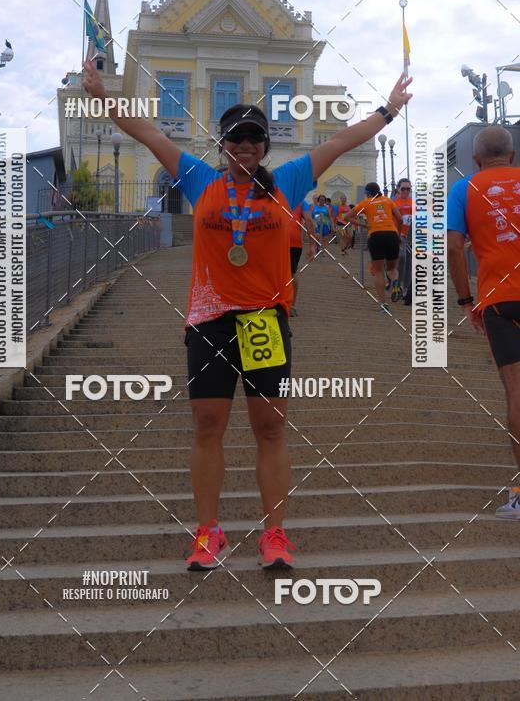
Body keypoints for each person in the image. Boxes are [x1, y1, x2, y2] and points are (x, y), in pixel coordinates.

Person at [84, 59, 412, 569]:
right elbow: (145, 131)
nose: (245, 147)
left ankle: (274, 534)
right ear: (222, 142)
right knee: (208, 424)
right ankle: (208, 532)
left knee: (271, 429)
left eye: (254, 139)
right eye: (236, 138)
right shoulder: (197, 179)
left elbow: (342, 142)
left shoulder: (288, 180)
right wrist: (101, 93)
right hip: (210, 319)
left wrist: (388, 109)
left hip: (264, 320)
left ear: (265, 146)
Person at [447, 126, 520, 518]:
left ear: (476, 160)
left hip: (501, 301)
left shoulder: (464, 189)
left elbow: (455, 246)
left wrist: (465, 300)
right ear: (511, 155)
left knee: (516, 392)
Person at [344, 183, 403, 313]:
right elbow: (400, 219)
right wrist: (397, 234)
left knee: (378, 271)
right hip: (391, 234)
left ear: (368, 193)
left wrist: (364, 226)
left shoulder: (366, 202)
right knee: (392, 268)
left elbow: (347, 217)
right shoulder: (388, 201)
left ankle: (384, 304)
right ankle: (396, 282)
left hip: (375, 235)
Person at [289, 200, 314, 316]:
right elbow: (308, 220)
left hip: (276, 239)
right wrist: (312, 245)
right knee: (292, 273)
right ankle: (292, 306)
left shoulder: (275, 194)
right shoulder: (301, 202)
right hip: (294, 240)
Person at [394, 178, 414, 304]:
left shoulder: (414, 203)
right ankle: (398, 285)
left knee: (409, 263)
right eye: (403, 188)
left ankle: (405, 288)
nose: (406, 191)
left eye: (408, 188)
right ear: (398, 189)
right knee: (401, 259)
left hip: (410, 237)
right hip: (398, 236)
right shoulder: (394, 204)